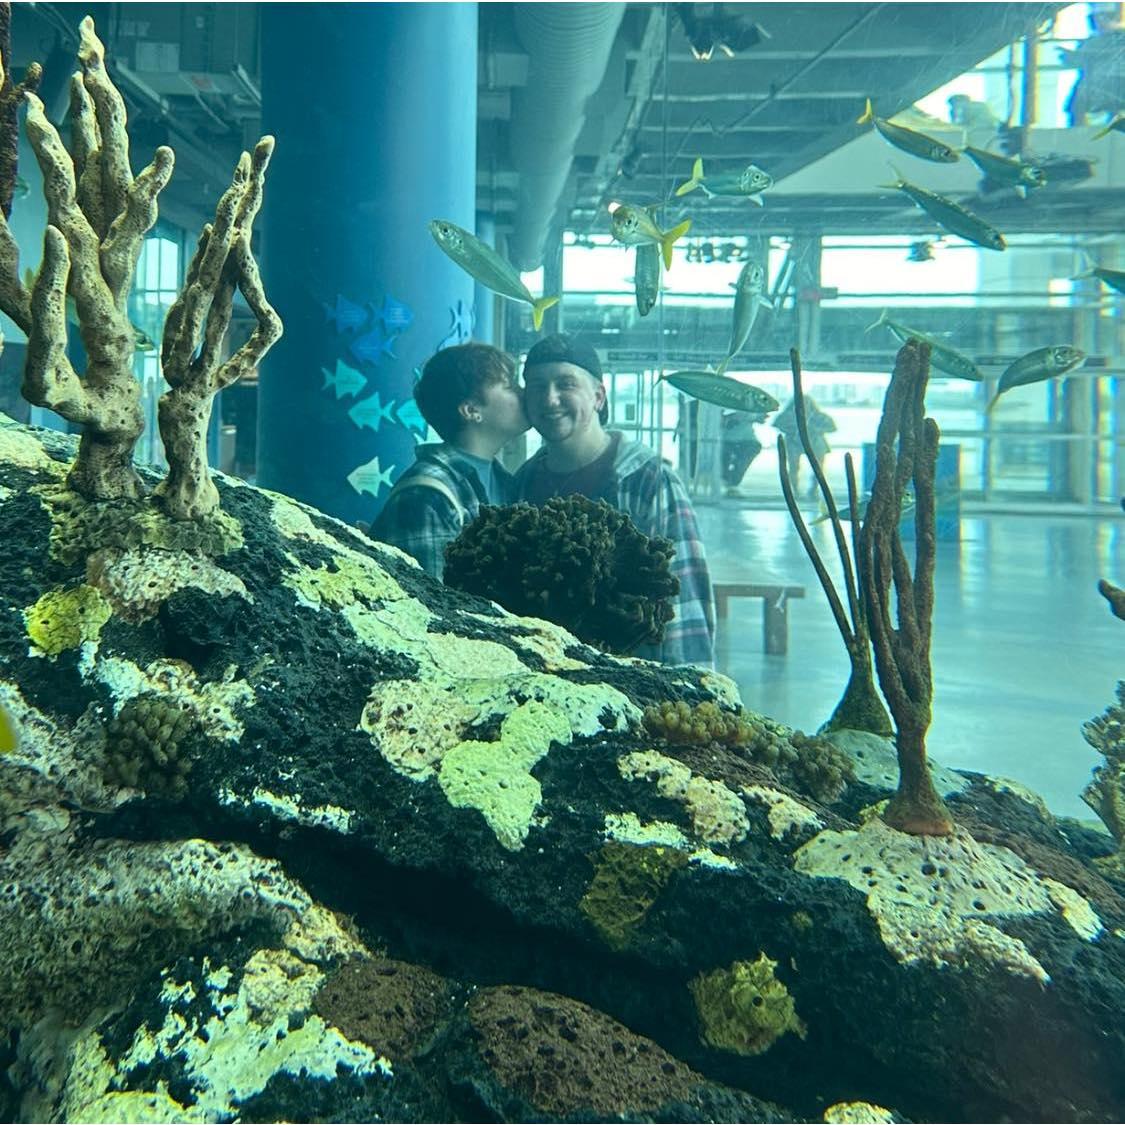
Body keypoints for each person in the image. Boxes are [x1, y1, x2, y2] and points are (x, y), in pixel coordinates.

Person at [514, 333, 715, 668]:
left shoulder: (648, 480)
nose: (549, 399)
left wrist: (691, 689)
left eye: (566, 384)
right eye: (536, 386)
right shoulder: (524, 480)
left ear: (598, 396)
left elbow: (684, 599)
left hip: (632, 679)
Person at [368, 342, 528, 580]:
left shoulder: (506, 481)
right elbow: (428, 599)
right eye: (510, 386)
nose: (523, 393)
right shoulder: (426, 496)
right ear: (471, 410)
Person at [773, 396, 836, 498]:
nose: (804, 405)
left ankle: (813, 490)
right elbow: (777, 424)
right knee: (794, 467)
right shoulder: (788, 415)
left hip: (815, 442)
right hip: (793, 441)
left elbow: (833, 427)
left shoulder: (819, 416)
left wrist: (818, 430)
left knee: (818, 468)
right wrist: (791, 430)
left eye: (806, 402)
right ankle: (794, 491)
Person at [720, 409, 764, 491]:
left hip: (744, 441)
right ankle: (730, 479)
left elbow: (760, 418)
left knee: (736, 463)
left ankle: (731, 479)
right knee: (729, 463)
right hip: (733, 440)